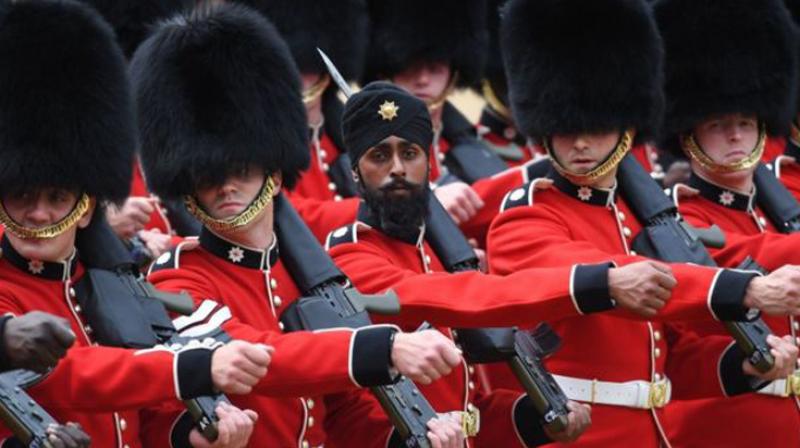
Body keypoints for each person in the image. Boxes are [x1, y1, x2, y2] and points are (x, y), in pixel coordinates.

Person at [135, 4, 466, 446]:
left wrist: (407, 437)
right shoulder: (177, 276)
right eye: (208, 176)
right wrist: (380, 348)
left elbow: (347, 413)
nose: (226, 187)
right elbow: (257, 354)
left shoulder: (306, 273)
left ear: (273, 174)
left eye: (241, 170)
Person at [488, 0, 800, 445]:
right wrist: (743, 289)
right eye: (564, 127)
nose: (579, 141)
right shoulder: (524, 216)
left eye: (596, 124)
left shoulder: (633, 218)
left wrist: (741, 362)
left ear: (625, 128)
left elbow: (669, 355)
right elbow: (619, 276)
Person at [0, 0, 270, 446]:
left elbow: (142, 420)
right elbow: (70, 374)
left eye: (57, 198)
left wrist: (192, 435)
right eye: (21, 196)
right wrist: (190, 367)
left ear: (86, 209)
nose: (40, 214)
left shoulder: (100, 286)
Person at [655, 0, 800, 445]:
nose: (736, 135)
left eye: (744, 122)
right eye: (718, 124)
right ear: (689, 134)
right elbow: (737, 255)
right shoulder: (677, 219)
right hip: (726, 427)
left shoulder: (777, 207)